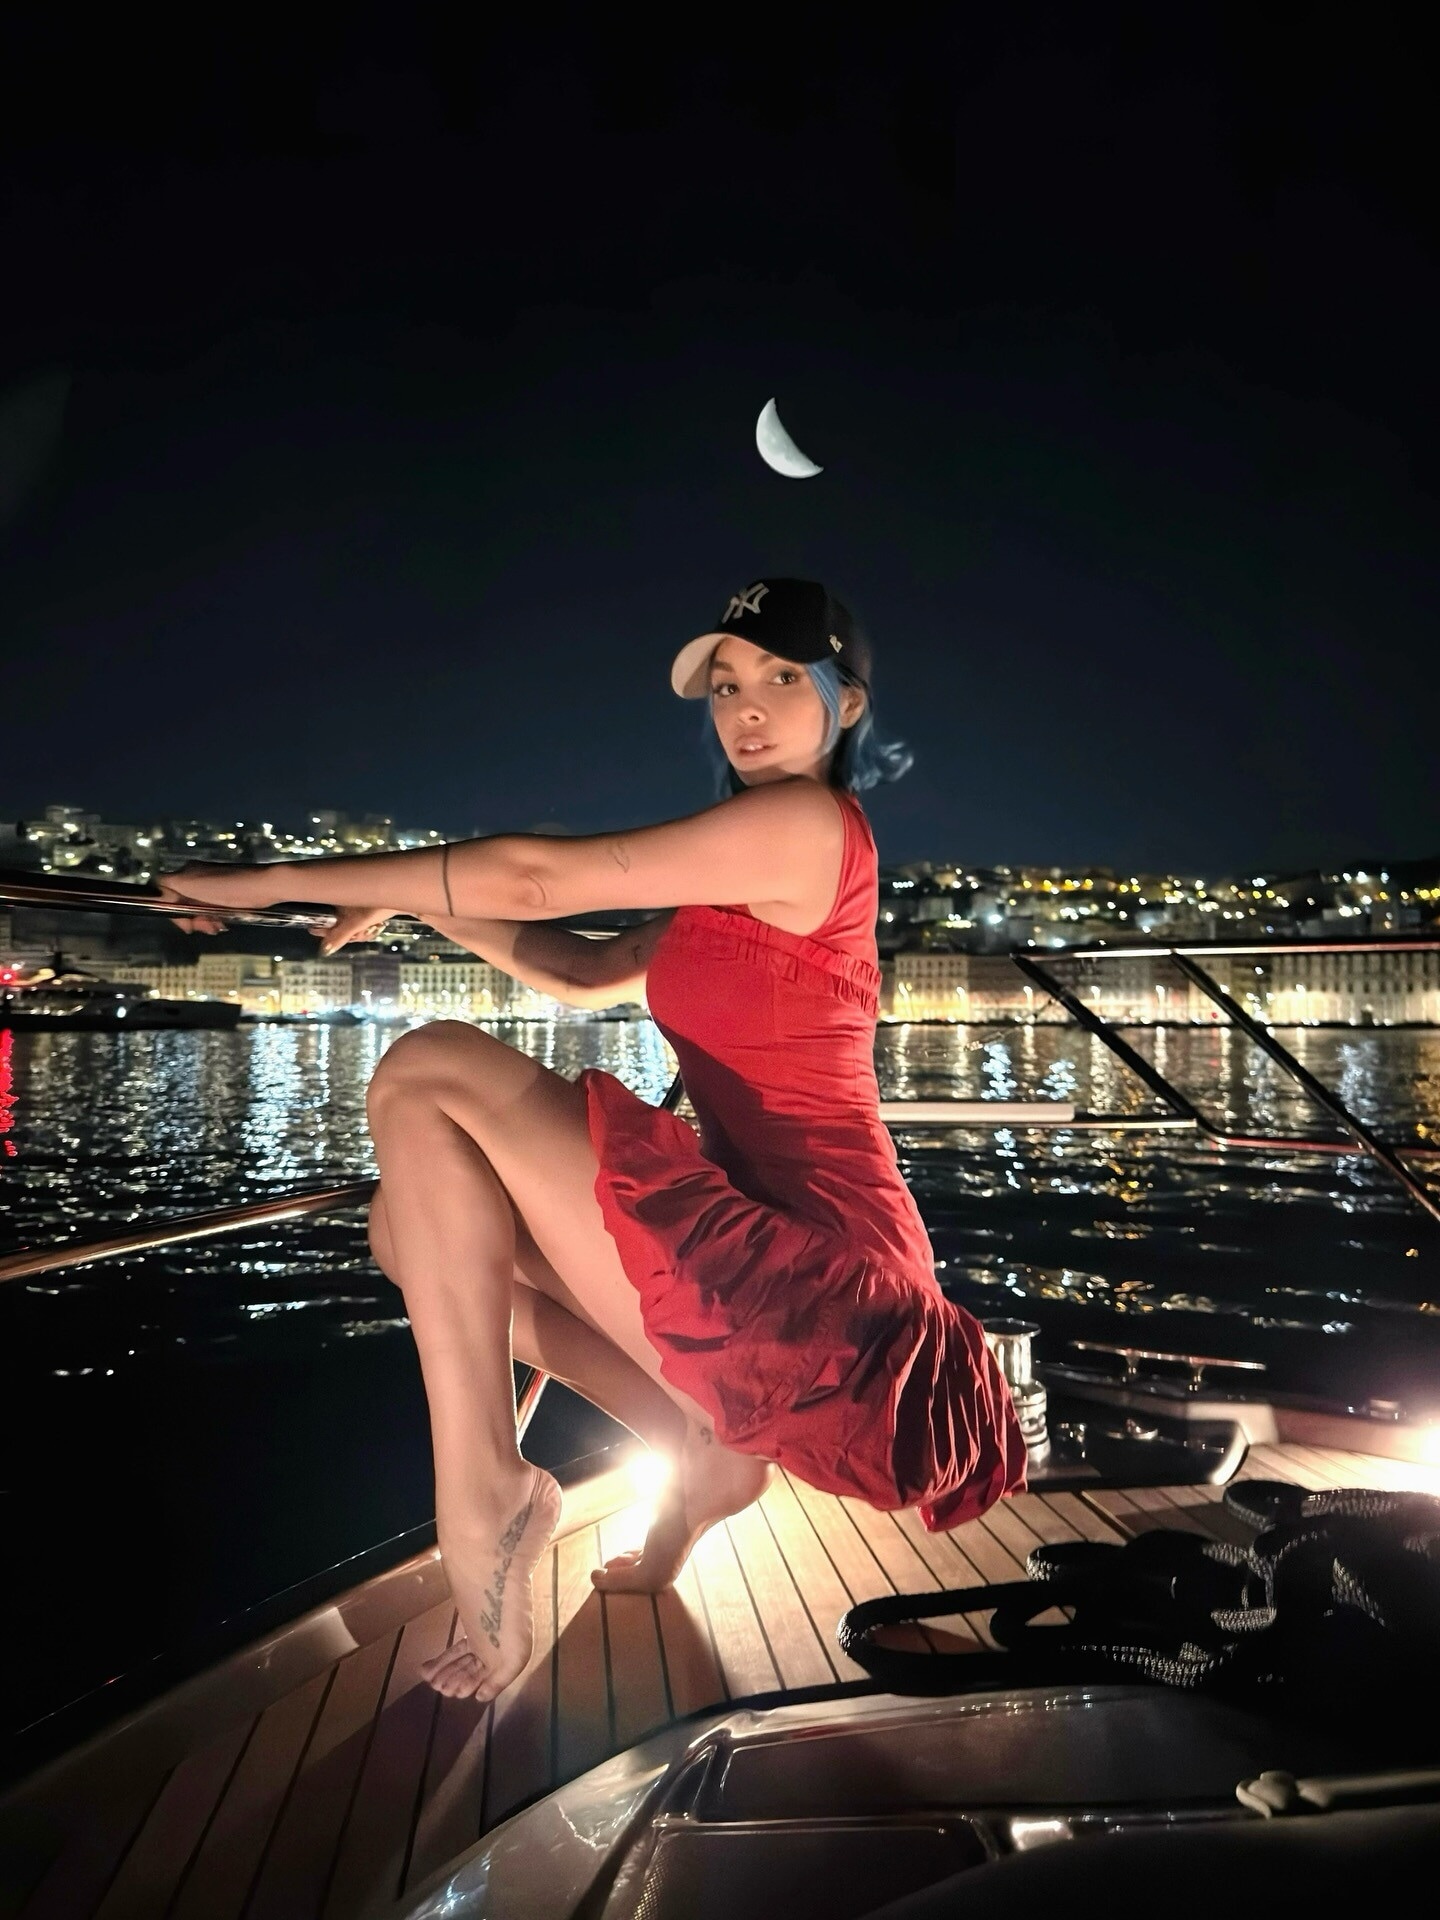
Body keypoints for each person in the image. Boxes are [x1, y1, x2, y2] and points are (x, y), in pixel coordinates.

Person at [161, 578, 1025, 1704]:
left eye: (782, 678)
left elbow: (538, 877)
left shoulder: (806, 826)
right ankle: (698, 1443)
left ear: (845, 704)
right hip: (785, 1260)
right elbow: (576, 965)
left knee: (425, 1066)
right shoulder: (737, 865)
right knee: (404, 1231)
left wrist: (269, 882)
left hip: (825, 1293)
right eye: (727, 684)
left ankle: (486, 1493)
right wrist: (417, 902)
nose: (747, 705)